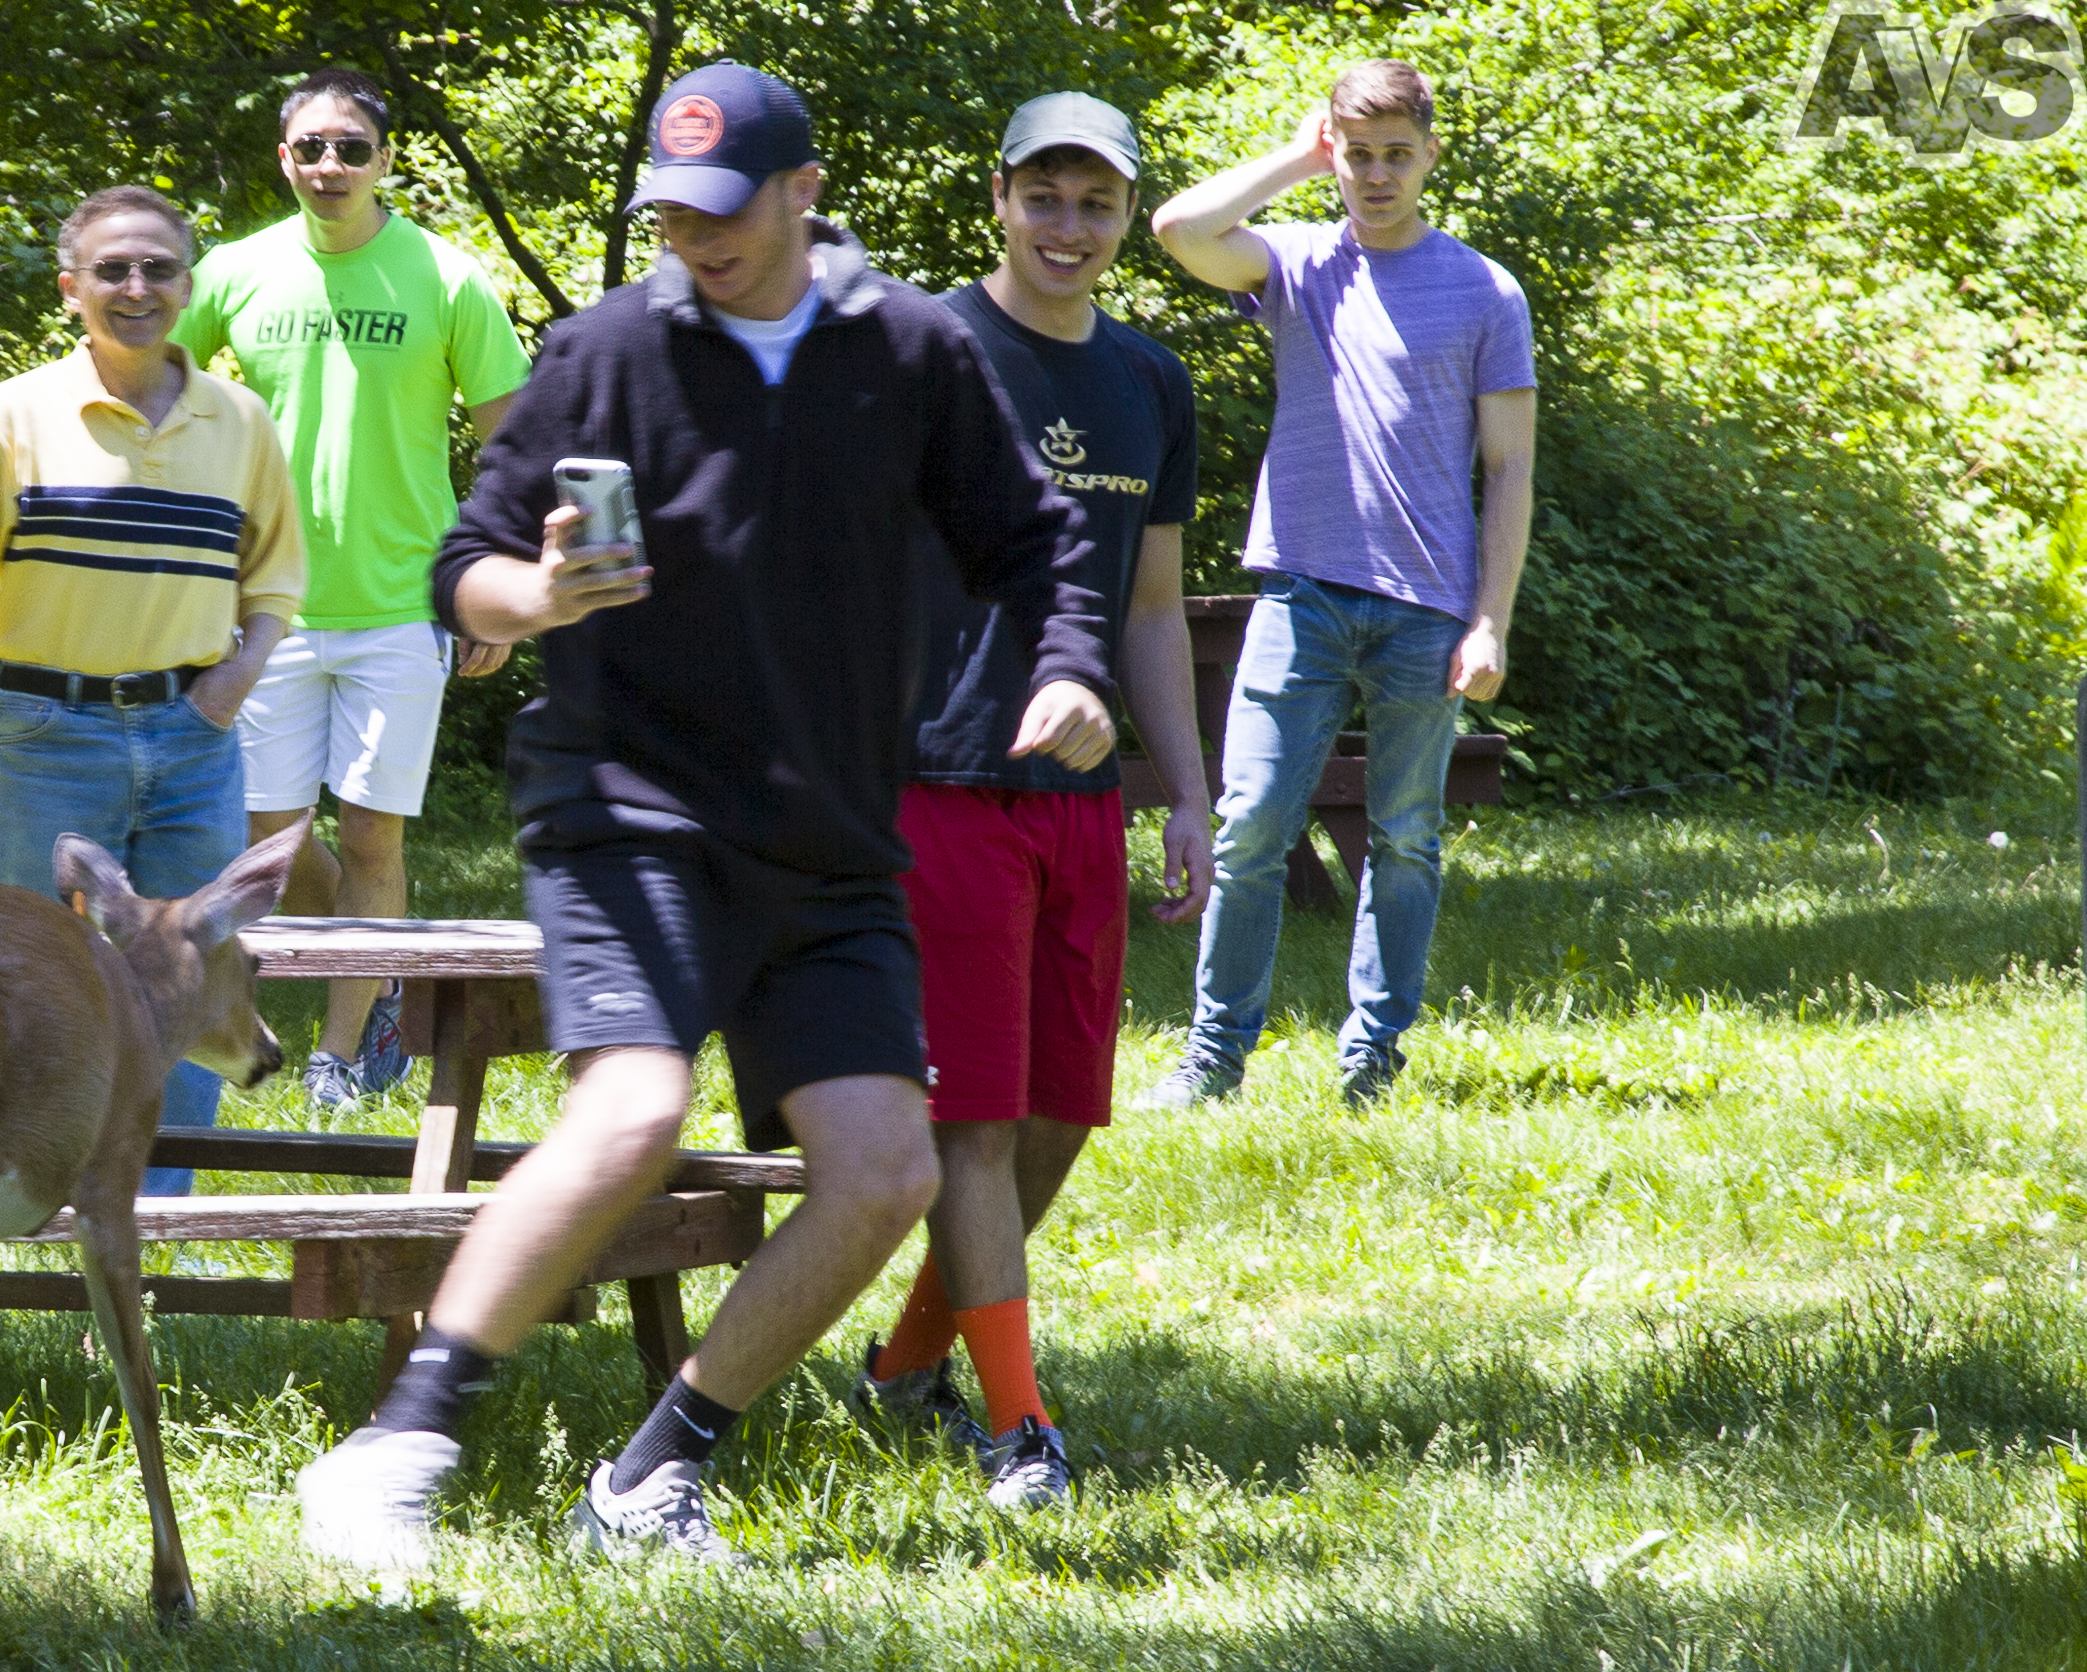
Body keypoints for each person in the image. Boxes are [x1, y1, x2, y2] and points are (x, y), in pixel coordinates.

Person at [292, 62, 1119, 1569]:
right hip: (627, 805)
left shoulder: (911, 352)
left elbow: (1038, 541)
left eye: (720, 208)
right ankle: (396, 1443)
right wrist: (534, 595)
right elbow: (459, 564)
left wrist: (1070, 671)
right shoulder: (605, 348)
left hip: (827, 836)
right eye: (667, 209)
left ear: (803, 192)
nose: (692, 234)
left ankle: (646, 1481)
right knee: (631, 1111)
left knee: (884, 1169)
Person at [853, 93, 1212, 1508]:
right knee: (977, 1124)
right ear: (997, 199)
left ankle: (901, 1365)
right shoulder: (923, 349)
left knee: (1061, 1113)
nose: (1068, 227)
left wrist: (1180, 793)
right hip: (937, 777)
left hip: (1079, 800)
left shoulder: (1149, 383)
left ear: (1125, 217)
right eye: (1043, 197)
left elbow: (1149, 603)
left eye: (1096, 203)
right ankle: (1018, 1434)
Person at [1146, 59, 1537, 1110]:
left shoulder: (1484, 288)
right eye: (1355, 155)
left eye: (1394, 156)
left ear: (1429, 156)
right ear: (1334, 152)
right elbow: (1180, 228)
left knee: (1405, 839)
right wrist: (1297, 153)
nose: (1373, 175)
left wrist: (1489, 619)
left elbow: (1508, 467)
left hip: (1427, 610)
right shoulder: (1298, 262)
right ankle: (1211, 1063)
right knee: (1248, 828)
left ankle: (1371, 1060)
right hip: (1301, 592)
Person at [0, 185, 307, 1196]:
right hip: (49, 732)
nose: (137, 288)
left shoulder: (239, 420)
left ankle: (149, 1236)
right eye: (113, 270)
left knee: (192, 983)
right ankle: (34, 1216)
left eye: (159, 268)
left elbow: (278, 582)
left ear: (187, 281)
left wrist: (232, 679)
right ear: (69, 286)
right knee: (33, 988)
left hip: (193, 740)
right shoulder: (12, 414)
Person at [174, 69, 536, 1108]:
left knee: (373, 832)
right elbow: (156, 388)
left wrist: (492, 581)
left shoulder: (444, 276)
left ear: (385, 159)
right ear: (283, 158)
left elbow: (509, 438)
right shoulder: (235, 272)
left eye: (350, 147)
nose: (329, 165)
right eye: (310, 148)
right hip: (265, 606)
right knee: (268, 841)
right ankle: (378, 968)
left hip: (400, 601)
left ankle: (343, 1056)